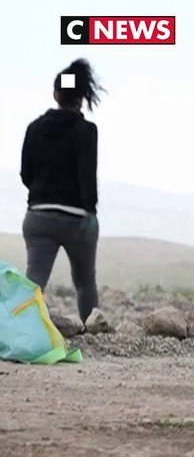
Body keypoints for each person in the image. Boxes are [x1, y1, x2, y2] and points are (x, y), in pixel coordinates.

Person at [20, 59, 104, 322]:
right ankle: (92, 331)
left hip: (39, 216)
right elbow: (87, 177)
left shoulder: (34, 128)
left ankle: (20, 329)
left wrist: (43, 196)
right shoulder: (87, 131)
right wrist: (90, 213)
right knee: (84, 282)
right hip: (76, 219)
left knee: (34, 280)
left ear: (56, 94)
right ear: (81, 97)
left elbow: (26, 174)